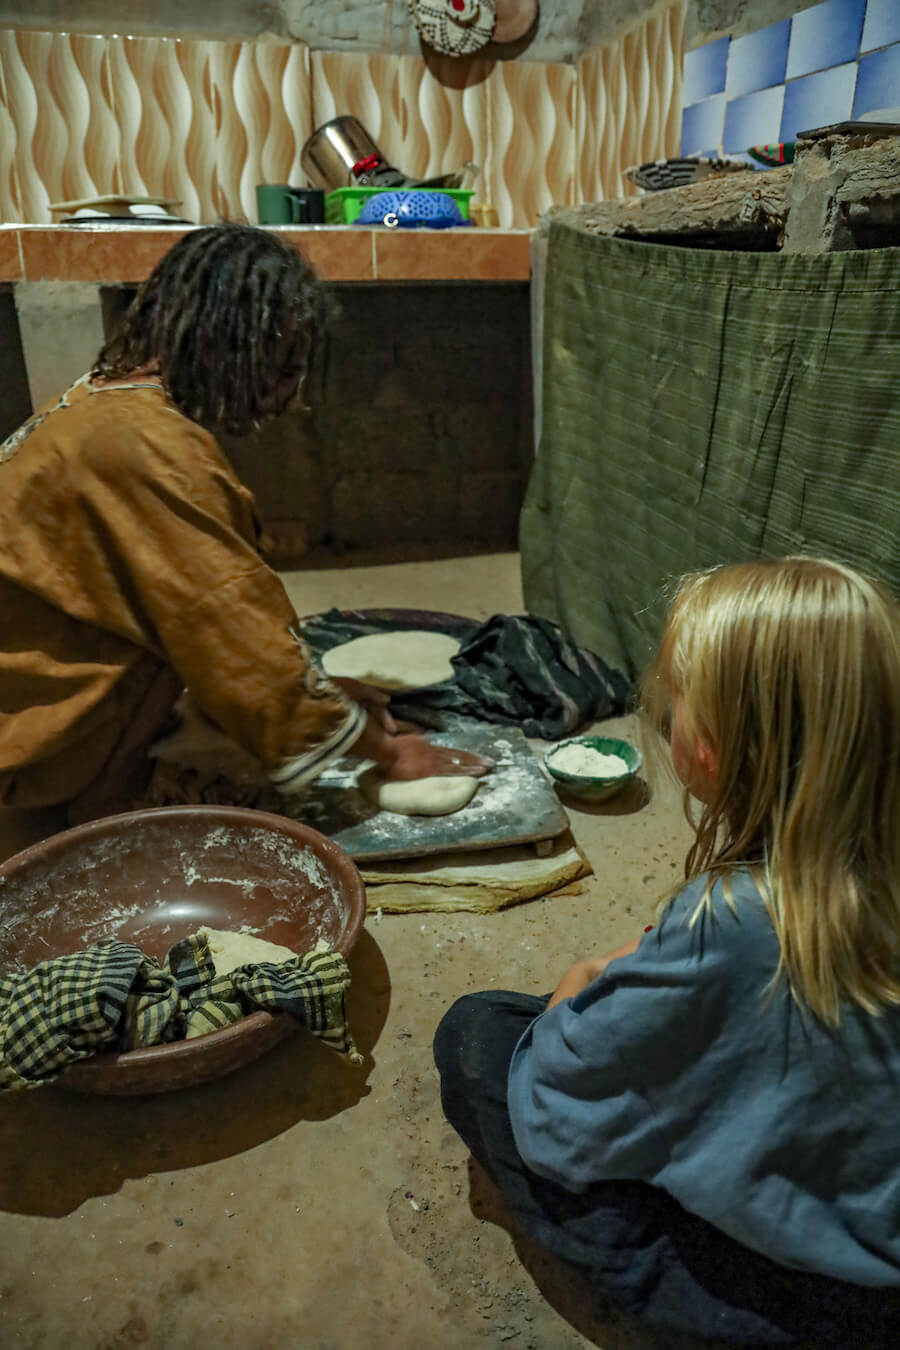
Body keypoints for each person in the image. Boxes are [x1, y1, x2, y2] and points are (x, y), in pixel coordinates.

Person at [434, 556, 900, 1347]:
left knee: (478, 1039)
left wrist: (577, 984)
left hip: (824, 1306)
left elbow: (559, 1103)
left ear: (712, 749)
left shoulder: (740, 921)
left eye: (680, 698)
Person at [0, 224, 489, 824]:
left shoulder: (103, 404)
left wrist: (323, 689)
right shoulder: (145, 450)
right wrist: (389, 750)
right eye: (284, 368)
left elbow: (186, 621)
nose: (287, 399)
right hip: (28, 752)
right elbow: (231, 632)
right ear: (232, 343)